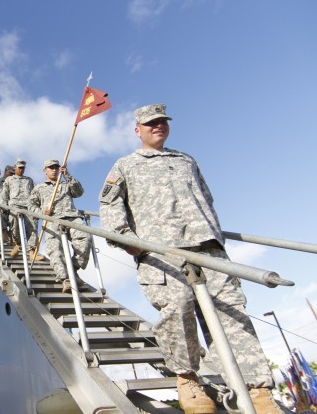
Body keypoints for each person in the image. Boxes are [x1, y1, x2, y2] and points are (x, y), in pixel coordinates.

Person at [98, 104, 280, 414]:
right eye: (151, 123)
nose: (159, 127)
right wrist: (126, 239)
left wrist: (212, 233)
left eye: (162, 122)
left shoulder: (186, 160)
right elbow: (109, 204)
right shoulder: (126, 165)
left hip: (208, 250)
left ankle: (258, 391)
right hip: (161, 253)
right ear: (137, 129)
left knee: (232, 316)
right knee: (178, 312)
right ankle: (188, 380)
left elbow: (207, 197)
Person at [29, 159, 91, 293]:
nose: (54, 170)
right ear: (45, 171)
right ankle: (65, 279)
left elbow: (79, 192)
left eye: (56, 167)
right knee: (55, 250)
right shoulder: (39, 188)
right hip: (52, 220)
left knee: (85, 240)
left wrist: (67, 175)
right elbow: (31, 206)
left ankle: (73, 269)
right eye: (51, 168)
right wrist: (41, 212)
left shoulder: (66, 184)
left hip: (72, 217)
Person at [0, 158, 43, 261]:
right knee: (14, 222)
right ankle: (17, 244)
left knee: (33, 226)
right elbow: (4, 195)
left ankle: (32, 252)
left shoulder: (29, 180)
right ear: (15, 168)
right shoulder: (9, 179)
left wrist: (39, 207)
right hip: (14, 205)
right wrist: (4, 206)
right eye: (19, 168)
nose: (21, 170)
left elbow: (36, 193)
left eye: (23, 168)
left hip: (28, 206)